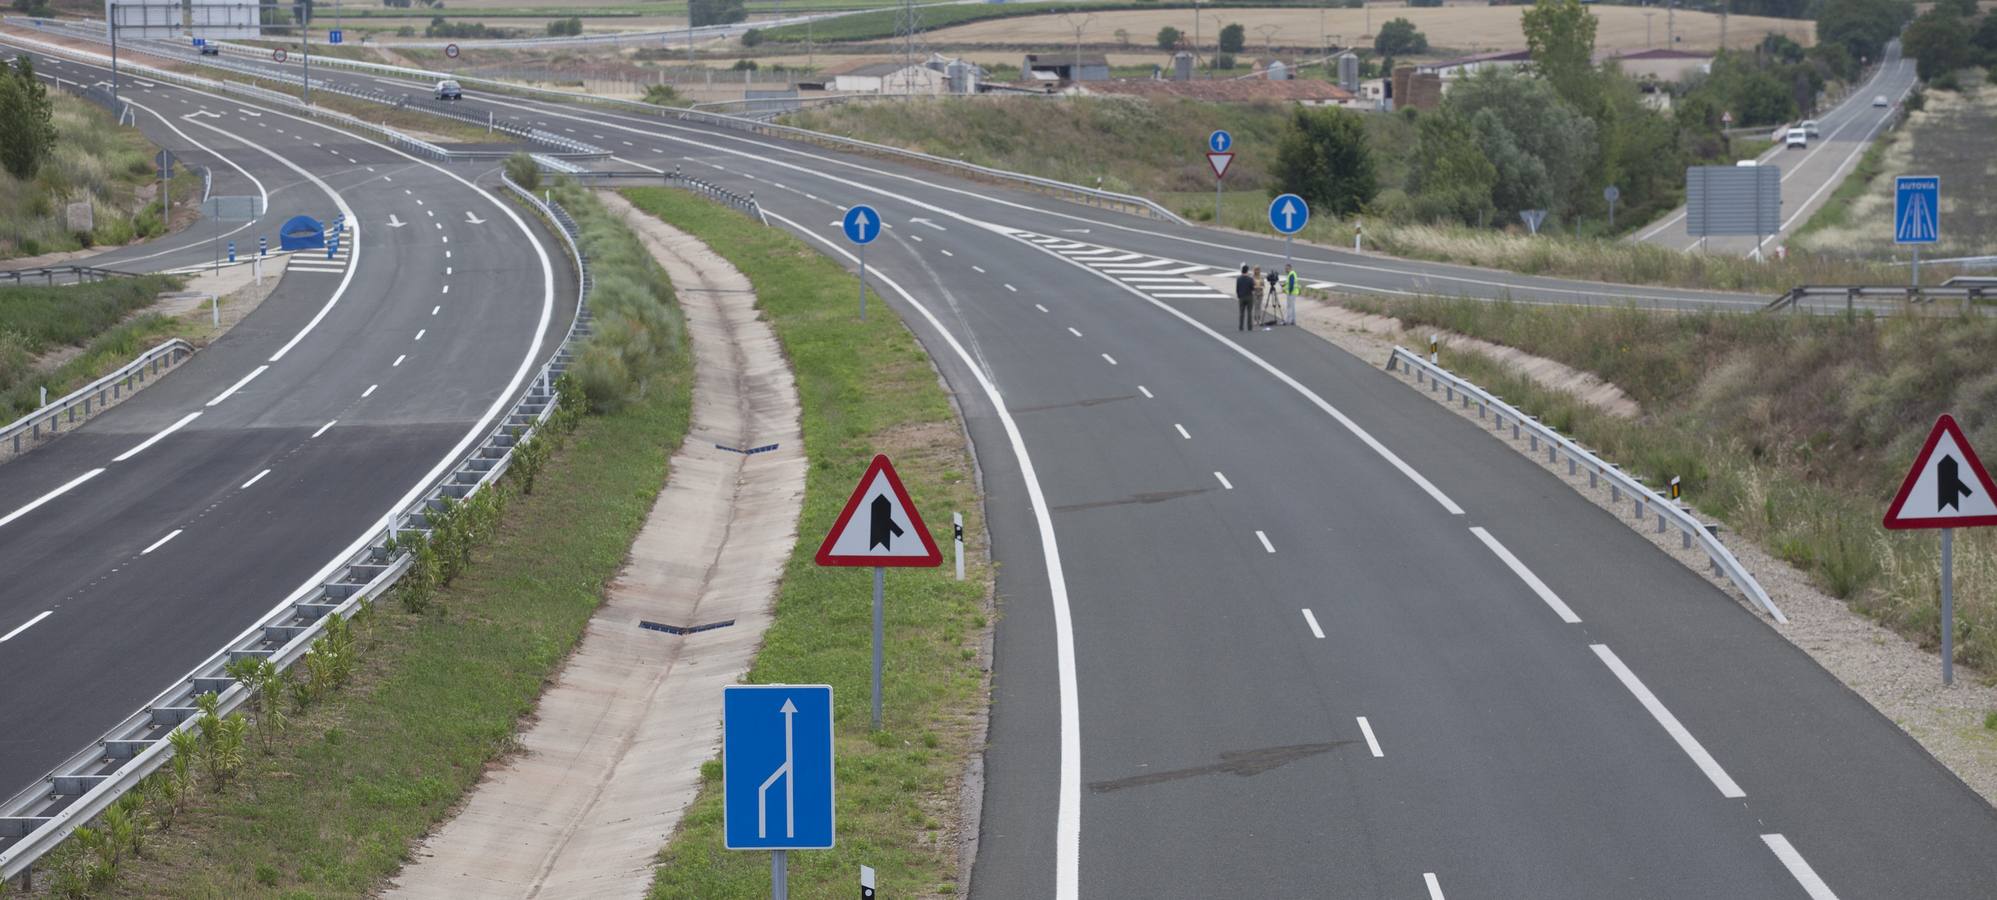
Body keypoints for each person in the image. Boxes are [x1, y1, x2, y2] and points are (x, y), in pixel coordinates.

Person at [1235, 264, 1254, 331]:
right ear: (1247, 271)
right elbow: (1252, 288)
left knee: (1241, 313)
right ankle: (1249, 327)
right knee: (1249, 313)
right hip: (1249, 296)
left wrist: (1239, 296)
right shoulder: (1250, 279)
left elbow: (1237, 288)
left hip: (1241, 297)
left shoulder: (1239, 279)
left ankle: (1241, 326)